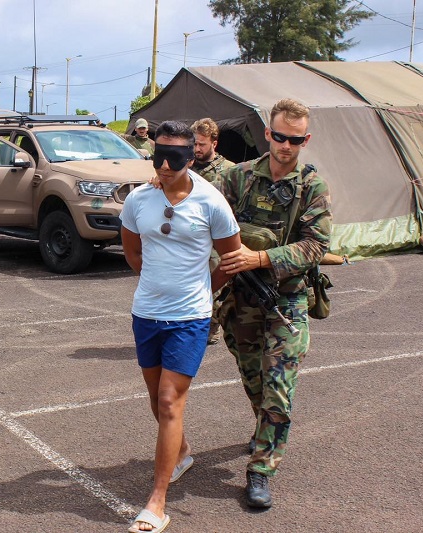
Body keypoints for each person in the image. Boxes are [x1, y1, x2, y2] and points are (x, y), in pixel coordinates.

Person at [120, 120, 241, 532]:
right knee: (156, 399)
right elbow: (133, 252)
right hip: (146, 313)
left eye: (175, 157)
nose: (166, 165)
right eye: (159, 156)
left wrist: (204, 290)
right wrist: (156, 283)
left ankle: (157, 502)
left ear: (192, 158)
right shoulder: (139, 199)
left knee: (170, 401)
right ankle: (183, 452)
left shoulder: (211, 202)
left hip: (190, 317)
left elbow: (233, 257)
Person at [216, 98, 332, 508]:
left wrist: (262, 258)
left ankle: (262, 469)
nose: (286, 146)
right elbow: (205, 215)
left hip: (287, 298)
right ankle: (264, 427)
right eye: (280, 136)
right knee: (254, 377)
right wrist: (166, 181)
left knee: (279, 386)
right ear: (268, 133)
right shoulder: (239, 177)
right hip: (242, 296)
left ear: (306, 139)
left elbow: (317, 246)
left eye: (295, 140)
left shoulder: (311, 186)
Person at [190, 118, 237, 345]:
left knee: (215, 283)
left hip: (217, 237)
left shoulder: (230, 171)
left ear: (214, 144)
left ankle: (212, 324)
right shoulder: (185, 168)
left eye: (202, 144)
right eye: (194, 144)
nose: (197, 149)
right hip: (190, 236)